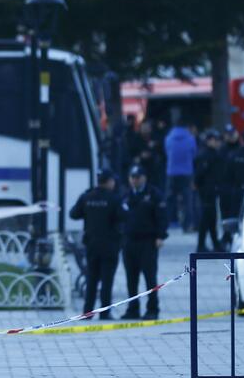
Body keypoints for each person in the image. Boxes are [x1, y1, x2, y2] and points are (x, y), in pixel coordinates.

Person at [69, 169, 123, 319]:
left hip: (91, 244)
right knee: (107, 280)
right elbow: (124, 216)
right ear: (109, 182)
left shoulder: (87, 196)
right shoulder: (114, 198)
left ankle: (87, 312)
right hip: (109, 245)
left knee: (91, 279)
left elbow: (73, 214)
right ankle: (105, 313)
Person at [120, 164, 169, 320]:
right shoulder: (125, 195)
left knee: (150, 277)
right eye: (132, 177)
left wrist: (160, 236)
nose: (135, 180)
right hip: (129, 241)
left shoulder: (154, 194)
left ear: (144, 178)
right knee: (131, 278)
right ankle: (132, 309)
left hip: (148, 242)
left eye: (138, 177)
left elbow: (162, 217)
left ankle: (152, 309)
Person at [193, 130, 224, 252]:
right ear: (209, 140)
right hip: (206, 191)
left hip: (212, 190)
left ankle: (215, 243)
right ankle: (201, 245)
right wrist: (200, 186)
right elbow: (199, 174)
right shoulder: (205, 155)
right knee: (206, 218)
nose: (217, 143)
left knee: (211, 218)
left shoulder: (213, 154)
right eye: (215, 140)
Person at [164, 117, 197, 231]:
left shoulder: (168, 138)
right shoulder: (191, 138)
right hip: (187, 172)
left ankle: (170, 221)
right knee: (187, 199)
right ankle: (187, 224)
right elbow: (194, 154)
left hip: (171, 172)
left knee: (170, 198)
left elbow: (167, 152)